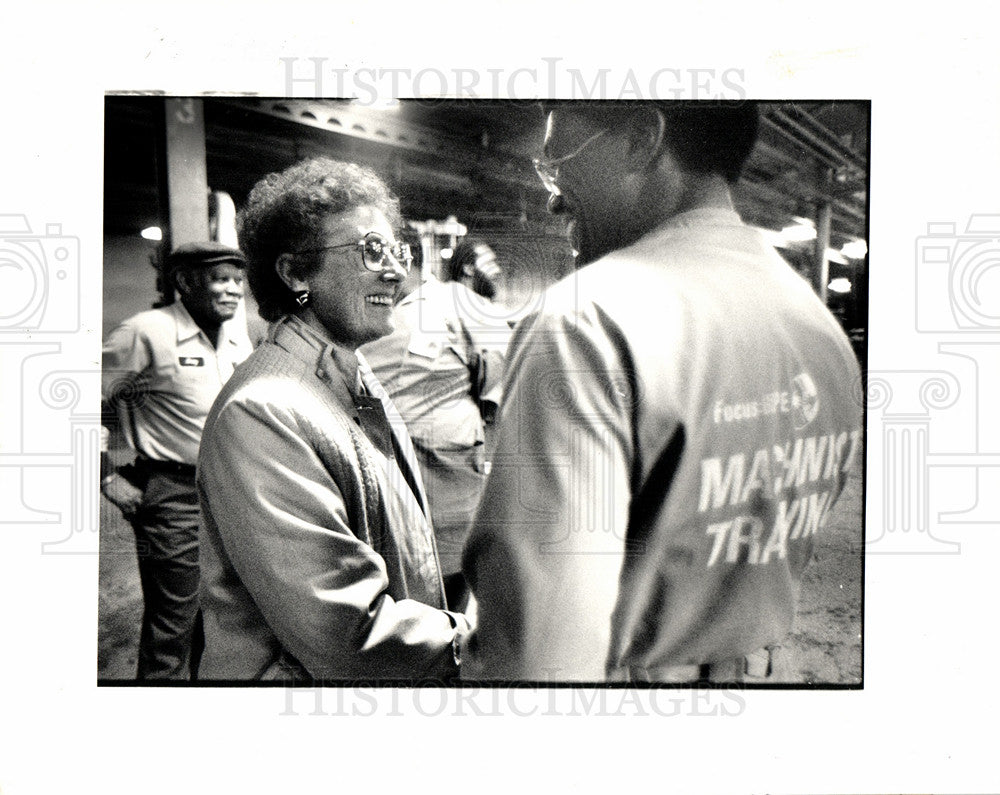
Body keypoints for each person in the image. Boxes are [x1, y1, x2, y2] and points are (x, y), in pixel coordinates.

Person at [460, 101, 863, 682]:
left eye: (558, 163)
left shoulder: (586, 323)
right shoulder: (818, 328)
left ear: (643, 139)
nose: (550, 196)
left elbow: (537, 658)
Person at [196, 158, 467, 681]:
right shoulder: (266, 412)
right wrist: (469, 638)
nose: (395, 271)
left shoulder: (350, 374)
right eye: (370, 251)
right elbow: (345, 636)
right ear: (296, 272)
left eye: (396, 252)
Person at [101, 241, 252, 680]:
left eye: (238, 281)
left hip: (229, 493)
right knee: (174, 623)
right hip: (173, 493)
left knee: (221, 616)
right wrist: (105, 476)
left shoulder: (237, 336)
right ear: (185, 282)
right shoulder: (144, 332)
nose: (233, 291)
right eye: (221, 279)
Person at [359, 230, 507, 610]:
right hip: (415, 488)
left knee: (427, 608)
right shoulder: (465, 303)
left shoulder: (438, 306)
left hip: (421, 493)